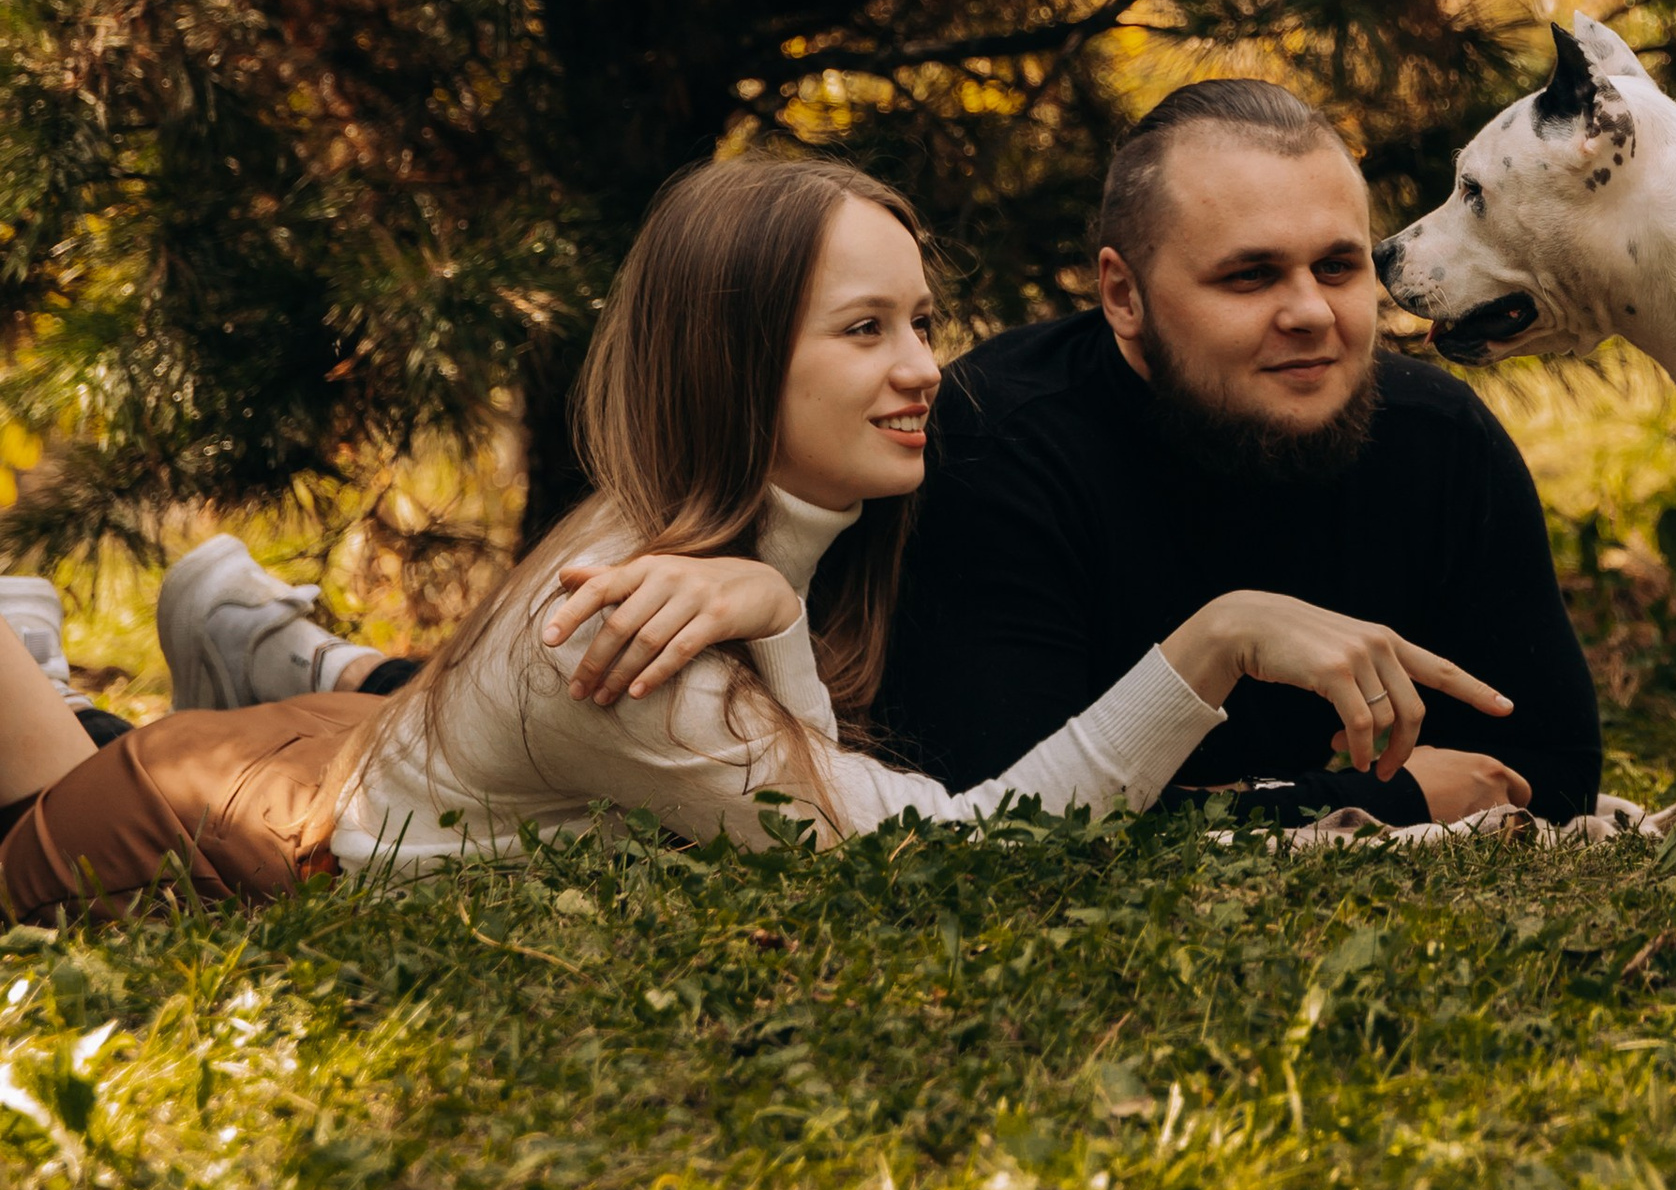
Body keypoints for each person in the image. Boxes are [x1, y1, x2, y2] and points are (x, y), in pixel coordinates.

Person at [0, 153, 1509, 922]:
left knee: (86, 735)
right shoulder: (640, 641)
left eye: (920, 321)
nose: (926, 368)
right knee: (24, 814)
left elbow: (810, 757)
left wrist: (772, 607)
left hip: (326, 751)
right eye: (864, 330)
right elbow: (927, 865)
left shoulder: (732, 530)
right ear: (737, 363)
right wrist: (1225, 632)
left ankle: (95, 672)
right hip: (211, 829)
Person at [872, 80, 1604, 828]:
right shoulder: (997, 445)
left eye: (1337, 267)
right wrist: (1391, 798)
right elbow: (1008, 816)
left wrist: (1219, 807)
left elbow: (1550, 773)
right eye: (1250, 276)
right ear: (1124, 296)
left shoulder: (1436, 438)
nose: (1311, 314)